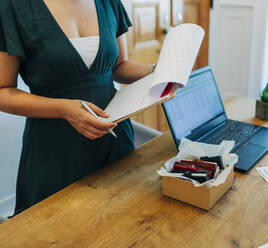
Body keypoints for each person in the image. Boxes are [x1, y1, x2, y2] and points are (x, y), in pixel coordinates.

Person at [0, 0, 153, 215]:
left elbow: (119, 66)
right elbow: (3, 91)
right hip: (55, 150)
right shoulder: (13, 6)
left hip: (114, 141)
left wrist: (159, 71)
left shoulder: (109, 2)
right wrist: (63, 109)